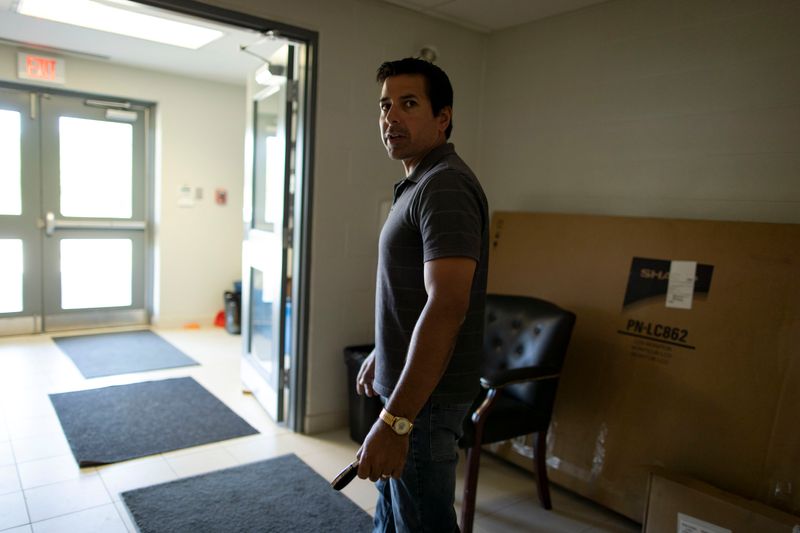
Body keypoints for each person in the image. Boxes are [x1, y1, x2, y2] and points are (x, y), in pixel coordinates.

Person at [355, 57, 489, 532]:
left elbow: (448, 305)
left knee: (421, 524)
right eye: (385, 105)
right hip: (410, 388)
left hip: (424, 403)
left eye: (408, 103)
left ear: (442, 117)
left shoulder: (444, 185)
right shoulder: (418, 183)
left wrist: (395, 422)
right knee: (393, 516)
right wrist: (384, 351)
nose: (391, 117)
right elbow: (410, 294)